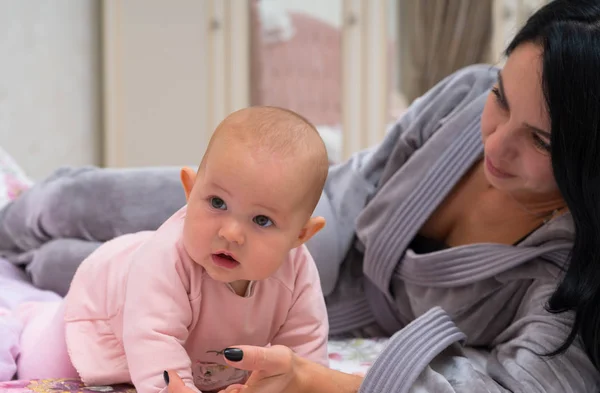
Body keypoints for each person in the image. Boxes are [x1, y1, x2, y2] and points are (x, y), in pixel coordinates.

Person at [156, 0, 600, 391]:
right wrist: (286, 219)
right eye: (501, 97)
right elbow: (365, 174)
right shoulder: (465, 95)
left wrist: (329, 382)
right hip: (312, 220)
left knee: (134, 276)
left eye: (541, 140)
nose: (496, 143)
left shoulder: (569, 271)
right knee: (105, 201)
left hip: (291, 285)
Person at [9, 106, 331, 393]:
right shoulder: (164, 261)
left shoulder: (298, 272)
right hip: (104, 317)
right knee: (38, 365)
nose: (231, 233)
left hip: (196, 357)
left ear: (300, 235)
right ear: (190, 190)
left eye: (261, 220)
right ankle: (29, 315)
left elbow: (304, 360)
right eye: (217, 203)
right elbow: (154, 341)